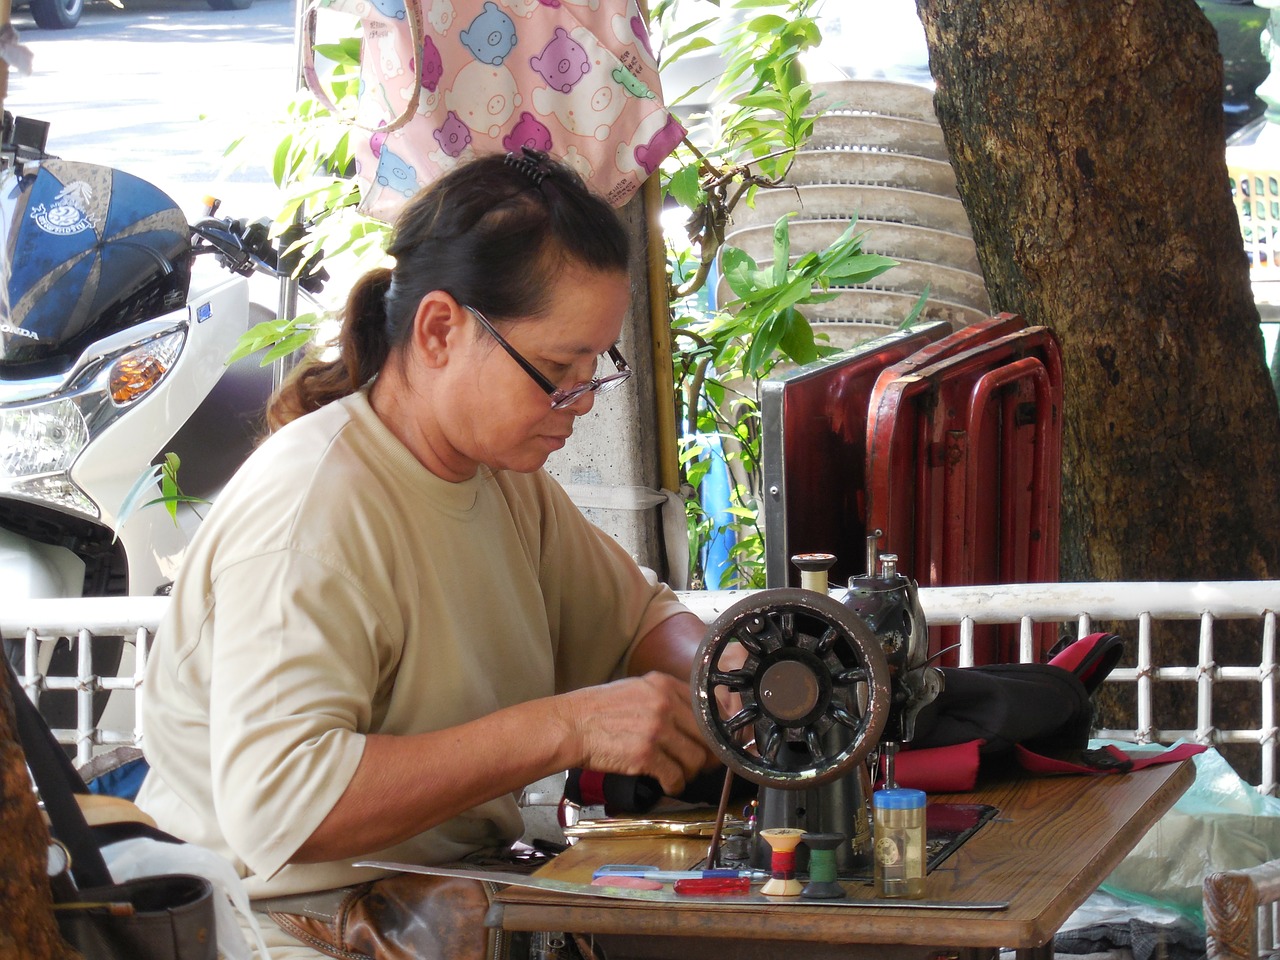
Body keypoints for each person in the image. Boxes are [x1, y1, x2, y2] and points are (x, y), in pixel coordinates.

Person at [134, 148, 717, 958]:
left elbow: (634, 621)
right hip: (284, 930)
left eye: (594, 371)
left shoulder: (503, 480)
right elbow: (284, 806)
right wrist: (568, 727)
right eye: (555, 370)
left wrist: (733, 678)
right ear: (441, 329)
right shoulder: (312, 513)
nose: (578, 405)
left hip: (444, 910)